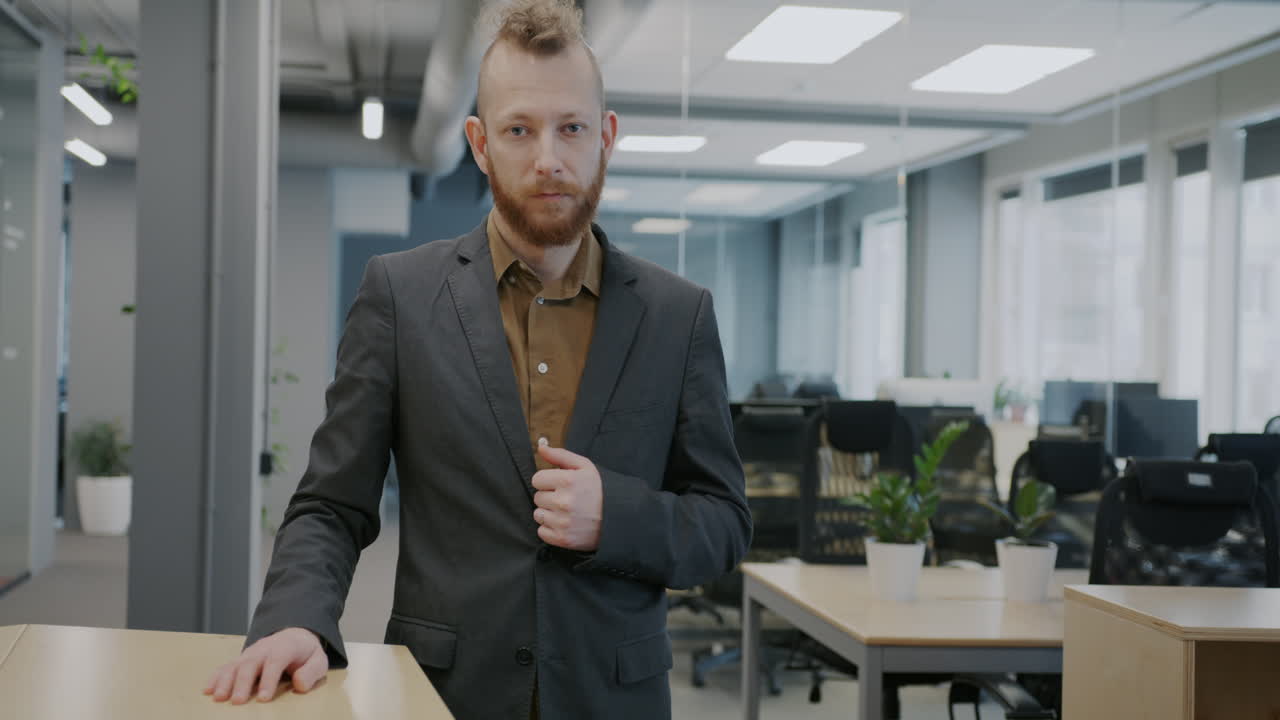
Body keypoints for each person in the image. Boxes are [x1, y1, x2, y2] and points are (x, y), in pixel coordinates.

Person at [203, 1, 751, 718]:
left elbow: (724, 522)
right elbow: (331, 504)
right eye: (519, 129)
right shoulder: (400, 295)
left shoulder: (679, 315)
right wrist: (297, 620)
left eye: (572, 127)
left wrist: (615, 517)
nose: (548, 158)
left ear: (606, 137)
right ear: (480, 142)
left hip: (613, 699)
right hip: (445, 695)